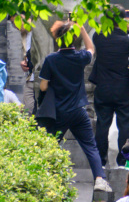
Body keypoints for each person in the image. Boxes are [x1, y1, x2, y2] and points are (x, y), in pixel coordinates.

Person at [37, 21, 108, 195]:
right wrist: (82, 28)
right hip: (78, 110)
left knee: (50, 145)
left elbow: (43, 86)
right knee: (90, 146)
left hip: (58, 112)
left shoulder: (51, 59)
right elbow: (91, 49)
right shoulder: (80, 57)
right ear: (74, 40)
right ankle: (99, 179)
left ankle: (44, 178)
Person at [91, 13, 129, 170]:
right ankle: (122, 160)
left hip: (103, 88)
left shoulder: (99, 37)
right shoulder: (128, 39)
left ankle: (100, 160)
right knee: (124, 126)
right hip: (125, 90)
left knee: (102, 125)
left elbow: (100, 32)